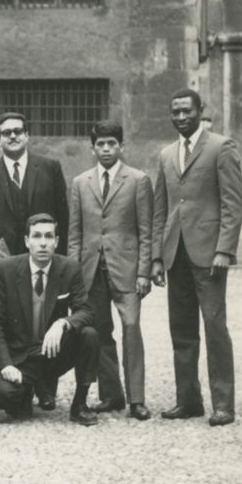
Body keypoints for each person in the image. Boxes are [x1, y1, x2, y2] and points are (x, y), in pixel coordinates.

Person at [152, 88, 242, 427]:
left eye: (186, 112)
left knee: (215, 326)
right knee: (182, 330)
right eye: (174, 112)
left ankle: (223, 404)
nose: (180, 118)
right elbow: (161, 208)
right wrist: (157, 259)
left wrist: (224, 249)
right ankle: (188, 400)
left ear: (200, 111)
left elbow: (233, 203)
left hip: (209, 254)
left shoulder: (221, 147)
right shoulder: (165, 155)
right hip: (176, 253)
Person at [67, 119, 154, 421]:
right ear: (92, 148)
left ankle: (137, 399)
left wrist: (144, 272)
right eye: (100, 144)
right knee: (100, 332)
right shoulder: (81, 182)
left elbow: (146, 230)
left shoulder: (138, 180)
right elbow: (75, 233)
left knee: (131, 328)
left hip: (127, 269)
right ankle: (111, 394)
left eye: (111, 144)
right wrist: (72, 274)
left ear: (121, 146)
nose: (106, 149)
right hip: (91, 270)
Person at [0, 214, 100, 426]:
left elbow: (85, 310)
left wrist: (62, 323)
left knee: (89, 335)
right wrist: (6, 365)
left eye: (49, 236)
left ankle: (80, 405)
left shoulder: (69, 267)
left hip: (52, 353)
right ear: (27, 241)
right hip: (22, 358)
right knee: (4, 395)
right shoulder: (5, 269)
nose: (43, 243)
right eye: (37, 236)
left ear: (56, 241)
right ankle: (29, 390)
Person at [0, 111, 69, 256]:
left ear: (26, 135)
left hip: (44, 255)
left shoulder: (50, 168)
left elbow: (63, 217)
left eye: (18, 131)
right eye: (6, 133)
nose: (13, 136)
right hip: (3, 260)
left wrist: (60, 255)